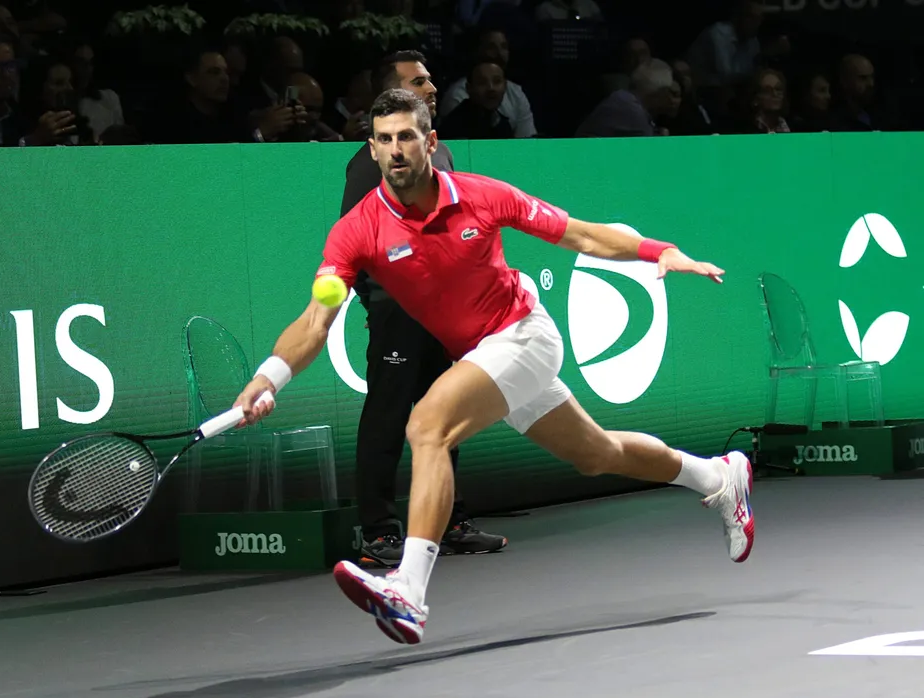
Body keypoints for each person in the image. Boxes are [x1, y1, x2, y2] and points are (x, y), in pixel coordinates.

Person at [234, 88, 754, 646]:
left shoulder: (482, 196)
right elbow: (315, 322)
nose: (396, 149)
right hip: (482, 356)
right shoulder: (357, 230)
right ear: (372, 149)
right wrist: (268, 378)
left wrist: (660, 250)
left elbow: (581, 233)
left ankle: (408, 590)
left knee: (427, 425)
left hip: (523, 336)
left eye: (407, 136)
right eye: (384, 140)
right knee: (596, 454)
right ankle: (718, 477)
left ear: (430, 141)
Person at [340, 50, 507, 568]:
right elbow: (356, 242)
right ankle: (378, 530)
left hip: (443, 313)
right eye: (418, 82)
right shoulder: (367, 165)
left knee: (446, 414)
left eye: (430, 80)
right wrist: (383, 300)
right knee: (388, 417)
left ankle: (448, 520)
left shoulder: (443, 152)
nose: (432, 88)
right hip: (397, 311)